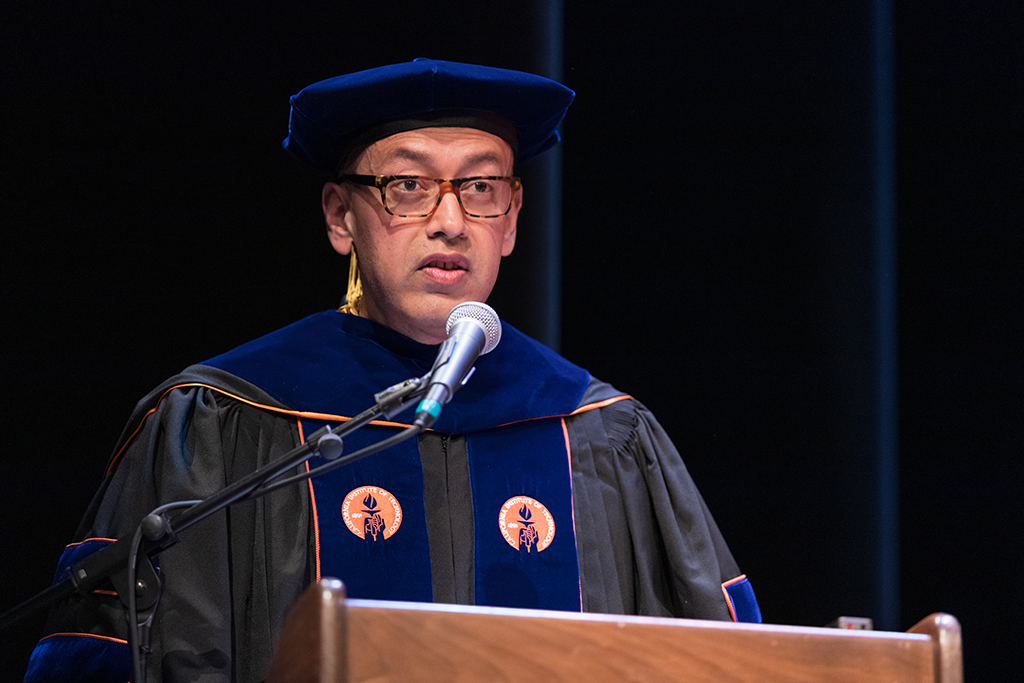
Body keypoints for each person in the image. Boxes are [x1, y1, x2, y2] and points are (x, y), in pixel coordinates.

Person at [24, 59, 759, 683]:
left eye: (480, 187)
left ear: (510, 219)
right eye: (408, 186)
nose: (449, 221)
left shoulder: (601, 431)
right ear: (341, 216)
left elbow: (728, 658)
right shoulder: (225, 419)